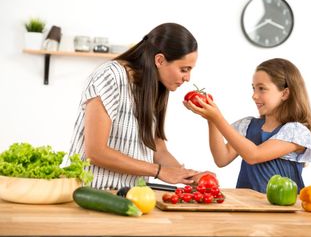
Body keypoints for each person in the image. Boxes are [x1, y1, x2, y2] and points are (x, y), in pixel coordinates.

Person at [64, 22, 206, 189]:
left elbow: (158, 150)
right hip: (90, 193)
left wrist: (190, 176)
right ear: (159, 60)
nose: (188, 78)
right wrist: (158, 171)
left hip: (132, 196)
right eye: (184, 69)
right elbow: (95, 152)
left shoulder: (154, 86)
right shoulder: (110, 76)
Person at [184, 58, 311, 193]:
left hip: (282, 211)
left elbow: (254, 155)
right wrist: (211, 119)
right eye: (253, 88)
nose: (254, 95)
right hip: (247, 206)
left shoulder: (296, 132)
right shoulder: (248, 125)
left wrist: (217, 118)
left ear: (284, 93)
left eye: (262, 89)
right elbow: (221, 159)